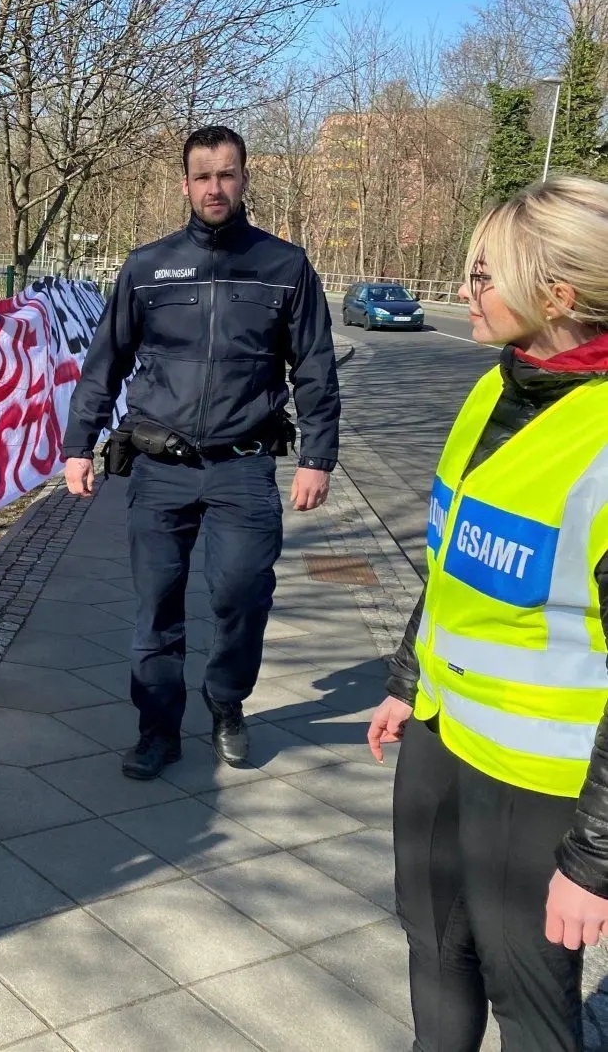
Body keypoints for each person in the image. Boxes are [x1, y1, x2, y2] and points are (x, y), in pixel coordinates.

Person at [369, 175, 608, 1052]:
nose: (464, 292)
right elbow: (451, 561)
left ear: (558, 295)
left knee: (529, 998)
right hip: (441, 732)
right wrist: (408, 678)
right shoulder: (494, 388)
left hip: (544, 782)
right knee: (433, 943)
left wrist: (595, 861)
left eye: (482, 275)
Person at [62, 125, 340, 780]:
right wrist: (80, 444)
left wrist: (318, 455)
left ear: (244, 178)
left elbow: (317, 367)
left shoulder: (285, 266)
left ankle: (226, 702)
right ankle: (158, 729)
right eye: (203, 175)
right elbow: (105, 363)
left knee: (241, 594)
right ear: (185, 184)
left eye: (227, 174)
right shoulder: (148, 266)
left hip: (243, 467)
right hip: (160, 470)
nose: (215, 186)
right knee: (156, 605)